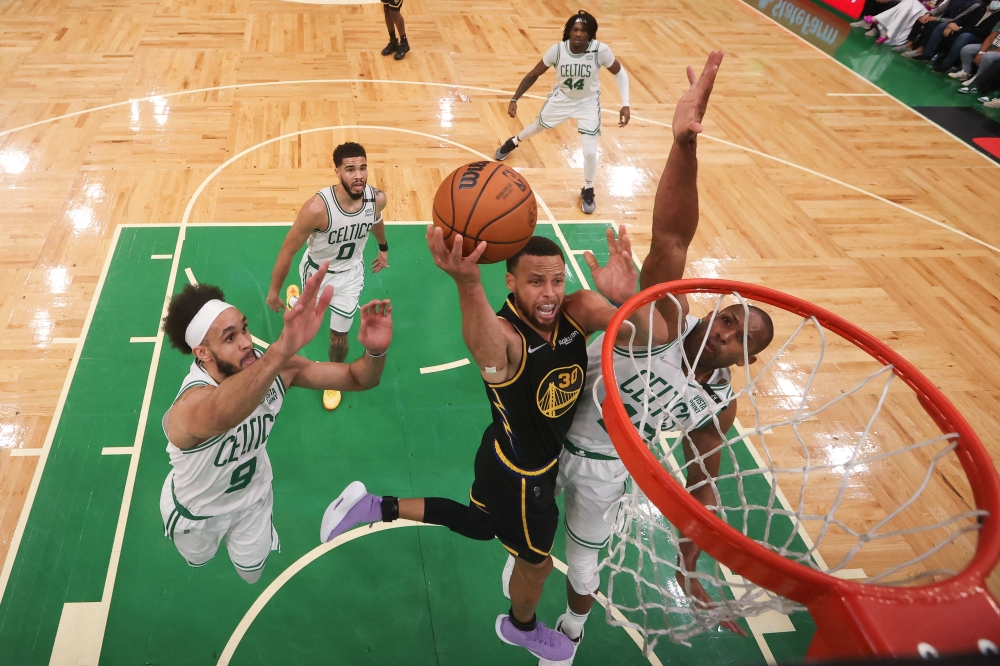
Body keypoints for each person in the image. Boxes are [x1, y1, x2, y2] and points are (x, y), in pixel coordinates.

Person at [527, 51, 775, 665]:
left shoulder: (717, 406)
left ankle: (571, 631)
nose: (727, 331)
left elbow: (703, 487)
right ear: (715, 313)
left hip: (606, 463)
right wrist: (683, 146)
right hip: (549, 422)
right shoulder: (665, 319)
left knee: (584, 560)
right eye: (730, 317)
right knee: (518, 536)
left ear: (743, 359)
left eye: (742, 337)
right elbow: (671, 238)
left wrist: (691, 567)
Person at [319, 227, 665, 661]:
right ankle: (521, 628)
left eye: (556, 280)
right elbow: (485, 348)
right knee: (536, 566)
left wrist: (631, 298)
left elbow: (654, 338)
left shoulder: (578, 310)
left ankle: (372, 506)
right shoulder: (507, 333)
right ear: (511, 282)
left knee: (482, 525)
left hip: (500, 451)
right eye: (536, 281)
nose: (549, 293)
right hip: (526, 476)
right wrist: (467, 283)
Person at [159, 266, 392, 583]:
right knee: (198, 563)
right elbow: (222, 413)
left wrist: (375, 349)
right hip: (197, 513)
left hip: (253, 499)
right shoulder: (187, 409)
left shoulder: (274, 367)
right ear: (202, 353)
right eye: (230, 338)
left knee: (251, 575)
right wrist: (282, 349)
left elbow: (357, 378)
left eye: (244, 329)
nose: (245, 342)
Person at [266, 142, 389, 411]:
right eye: (350, 169)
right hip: (316, 274)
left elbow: (376, 219)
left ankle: (333, 377)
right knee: (300, 324)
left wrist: (382, 247)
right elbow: (288, 250)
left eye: (363, 167)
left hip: (350, 277)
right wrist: (273, 291)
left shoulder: (376, 198)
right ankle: (293, 299)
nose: (359, 175)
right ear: (337, 171)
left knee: (338, 339)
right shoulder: (317, 209)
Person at [494, 11, 630, 215]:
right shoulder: (557, 51)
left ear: (590, 34)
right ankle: (513, 141)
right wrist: (515, 98)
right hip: (562, 99)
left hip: (588, 102)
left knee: (590, 151)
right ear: (568, 31)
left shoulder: (600, 51)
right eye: (575, 29)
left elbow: (620, 72)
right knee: (537, 128)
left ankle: (588, 188)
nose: (578, 34)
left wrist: (625, 103)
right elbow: (533, 74)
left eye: (583, 31)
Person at [901, 0, 982, 57]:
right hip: (942, 19)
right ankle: (909, 44)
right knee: (921, 19)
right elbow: (941, 8)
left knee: (932, 24)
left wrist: (937, 19)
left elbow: (959, 19)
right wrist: (929, 14)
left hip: (954, 24)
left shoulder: (976, 4)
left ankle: (921, 50)